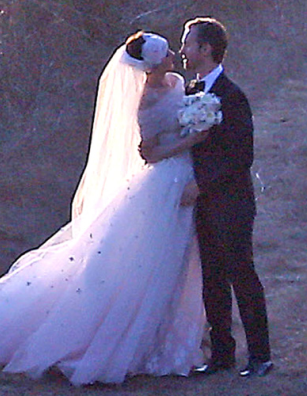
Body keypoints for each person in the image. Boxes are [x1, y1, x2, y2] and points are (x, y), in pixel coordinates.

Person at [0, 32, 208, 386]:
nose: (173, 55)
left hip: (183, 178)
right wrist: (191, 140)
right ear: (152, 64)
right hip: (164, 180)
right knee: (150, 261)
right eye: (166, 53)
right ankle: (130, 339)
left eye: (171, 50)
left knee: (177, 258)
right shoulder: (147, 100)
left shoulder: (178, 82)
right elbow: (149, 153)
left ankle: (173, 334)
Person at [141, 17, 273, 377]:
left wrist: (203, 186)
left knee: (240, 273)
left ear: (206, 49)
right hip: (198, 204)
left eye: (187, 44)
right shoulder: (189, 91)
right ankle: (222, 355)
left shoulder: (231, 97)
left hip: (230, 202)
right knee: (212, 278)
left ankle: (261, 355)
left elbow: (241, 155)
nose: (182, 50)